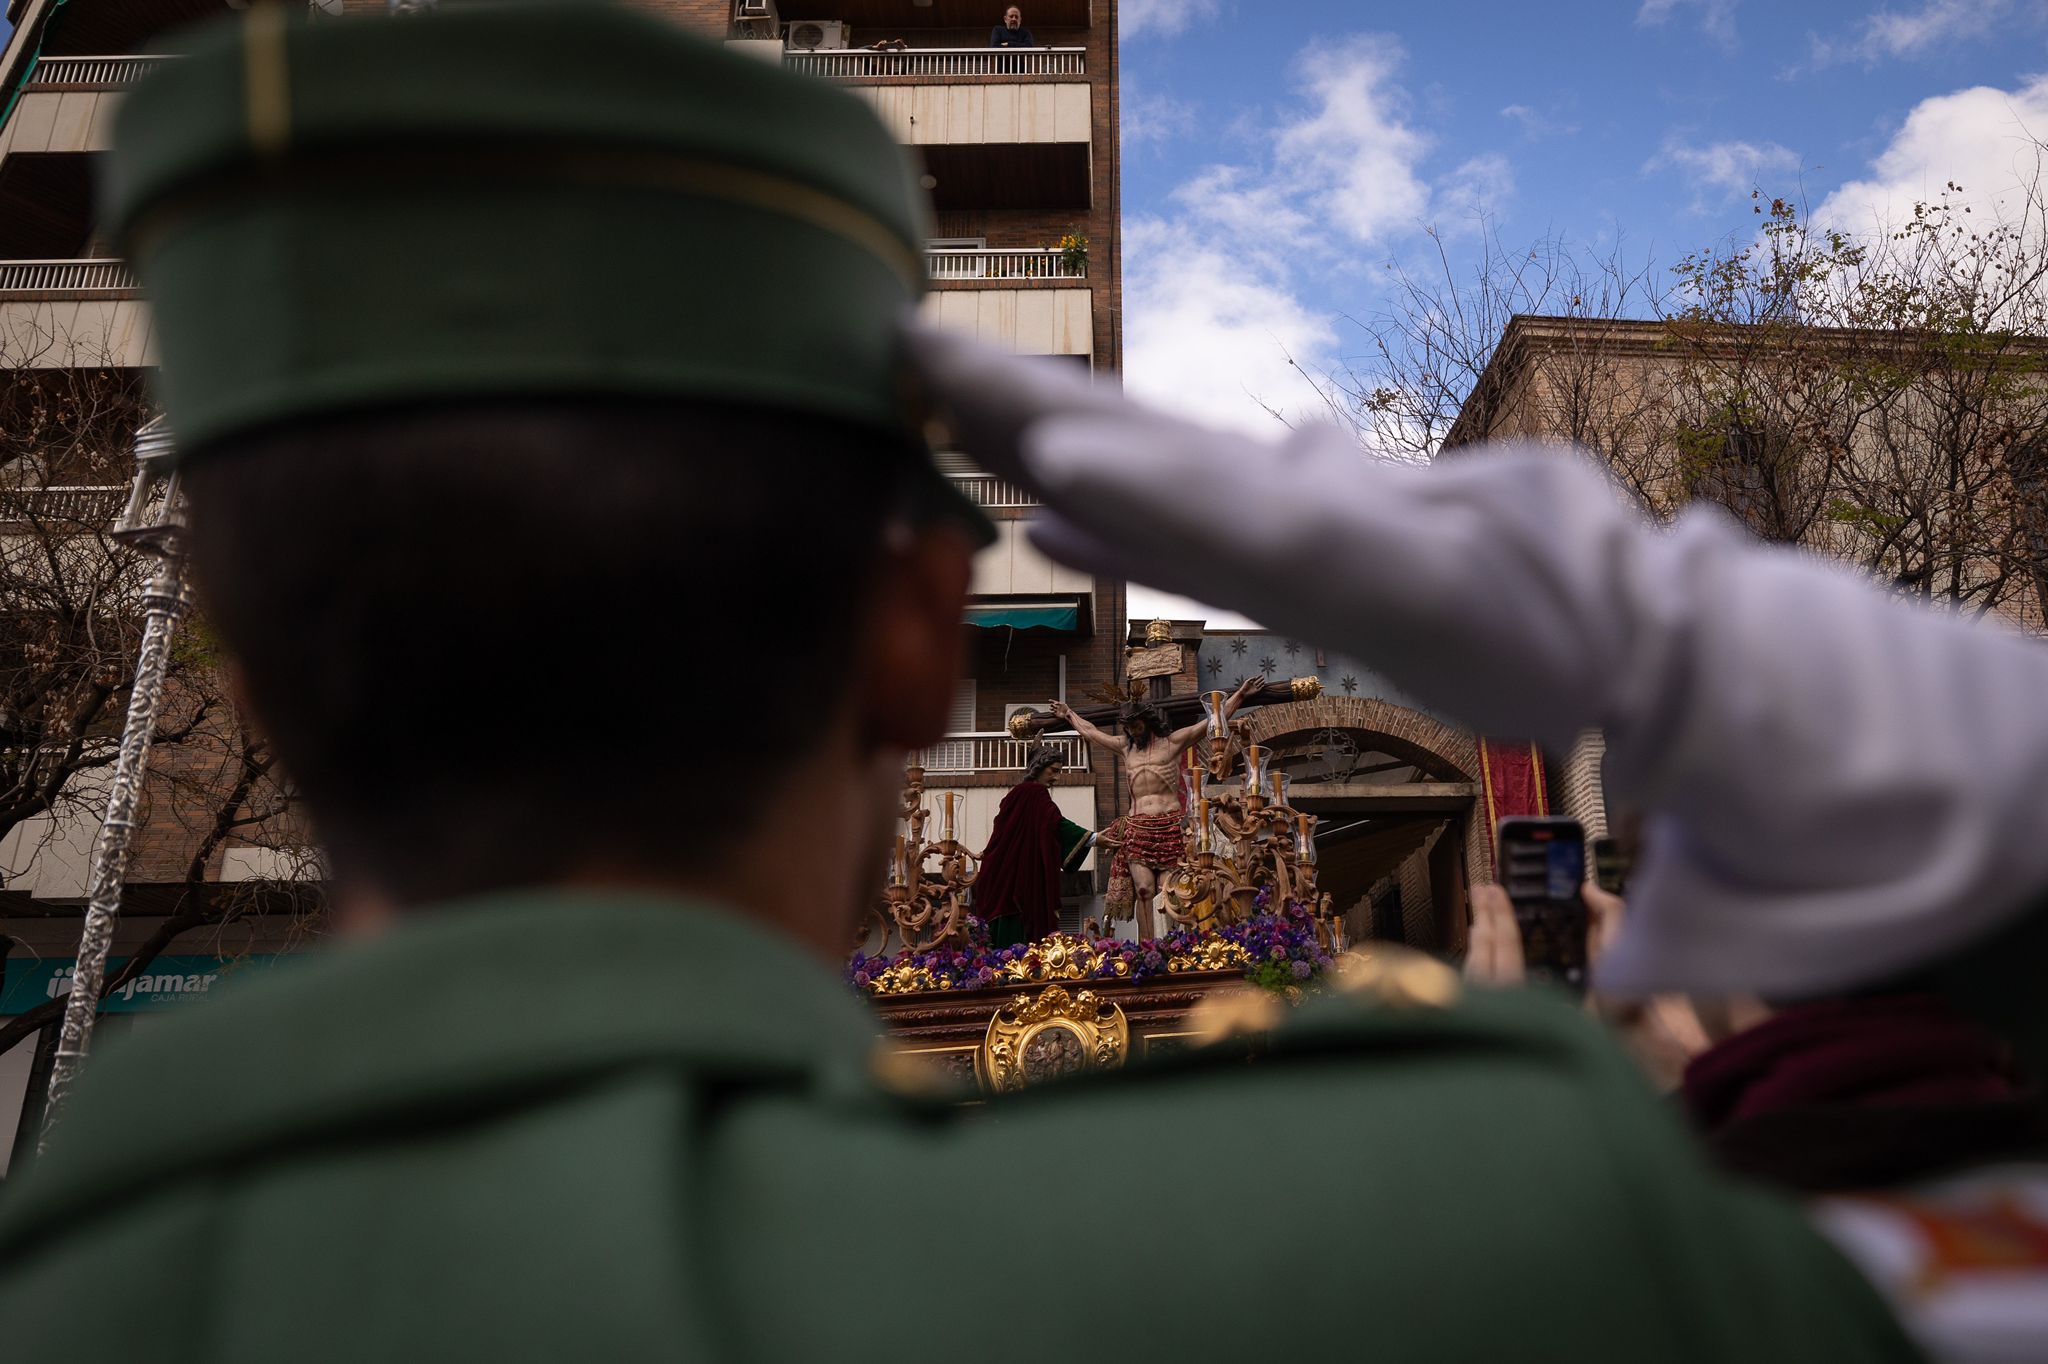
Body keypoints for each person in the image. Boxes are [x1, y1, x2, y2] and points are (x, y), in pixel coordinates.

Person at [0, 8, 1933, 1362]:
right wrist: (1681, 626)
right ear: (923, 630)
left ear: (237, 676)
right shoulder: (1478, 1220)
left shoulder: (72, 1289)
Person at [1053, 671, 1260, 939]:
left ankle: (1171, 944)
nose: (1130, 731)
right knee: (1144, 891)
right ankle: (1147, 945)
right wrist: (1069, 714)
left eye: (1135, 726)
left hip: (1170, 824)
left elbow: (1211, 723)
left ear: (1146, 722)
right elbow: (1091, 733)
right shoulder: (1125, 748)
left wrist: (1241, 695)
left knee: (1168, 890)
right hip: (1138, 826)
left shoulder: (1172, 743)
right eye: (1127, 727)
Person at [972, 747, 1093, 946]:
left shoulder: (1017, 794)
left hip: (997, 881)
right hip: (1015, 887)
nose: (1057, 778)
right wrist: (1093, 838)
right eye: (1053, 771)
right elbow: (1055, 822)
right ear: (1039, 767)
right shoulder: (1035, 792)